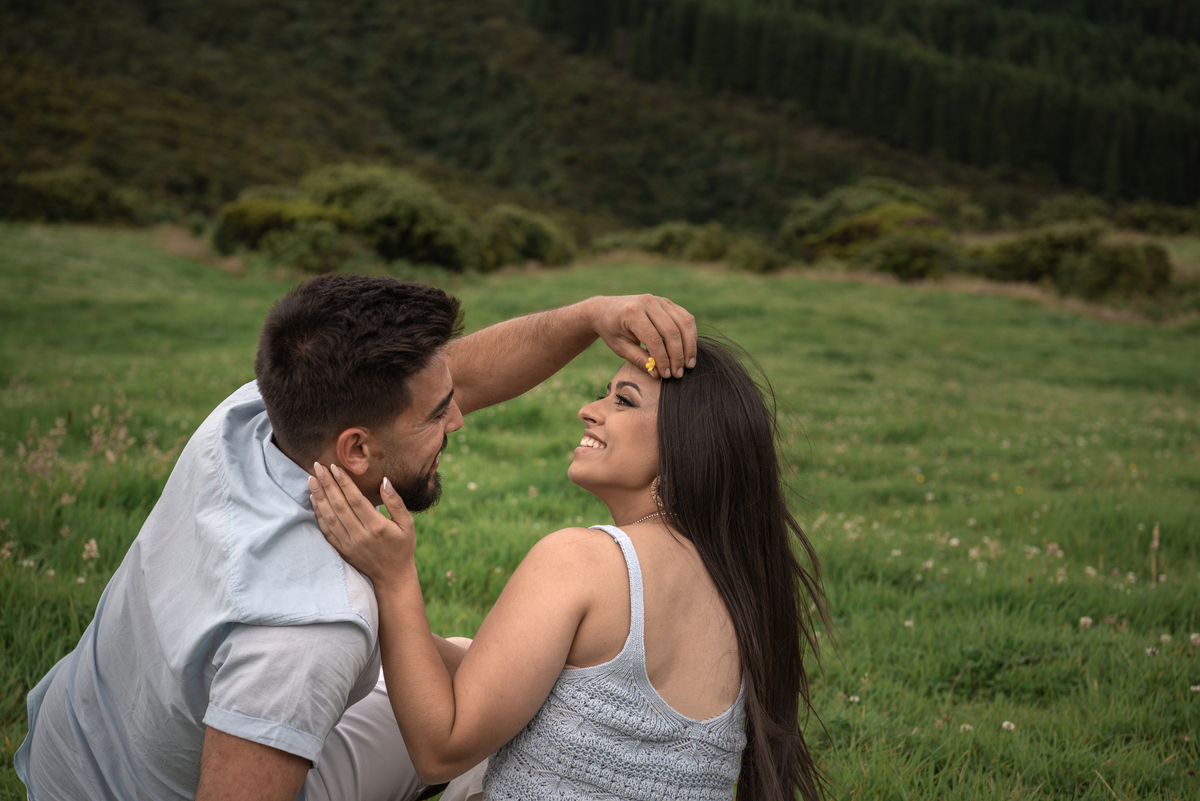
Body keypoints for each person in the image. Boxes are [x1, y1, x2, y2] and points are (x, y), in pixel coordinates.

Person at [14, 274, 698, 801]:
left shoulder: (251, 416)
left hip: (72, 753)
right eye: (438, 414)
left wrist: (588, 315)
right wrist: (389, 589)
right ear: (357, 448)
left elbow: (458, 375)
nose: (460, 418)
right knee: (489, 727)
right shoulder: (309, 629)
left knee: (468, 661)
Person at [309, 336, 829, 801]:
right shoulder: (740, 582)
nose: (588, 409)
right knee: (467, 651)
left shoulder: (584, 560)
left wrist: (394, 578)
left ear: (683, 443)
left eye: (622, 401)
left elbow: (440, 751)